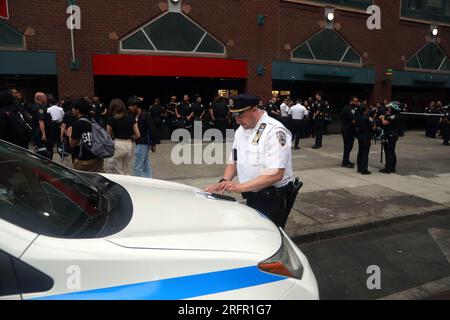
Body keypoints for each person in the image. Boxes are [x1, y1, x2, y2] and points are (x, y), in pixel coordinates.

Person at [205, 94, 295, 229]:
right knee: (255, 233)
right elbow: (234, 160)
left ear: (254, 109)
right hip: (252, 194)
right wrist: (224, 182)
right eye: (235, 116)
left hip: (272, 198)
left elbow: (276, 173)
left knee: (269, 237)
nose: (237, 120)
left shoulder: (274, 131)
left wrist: (239, 187)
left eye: (240, 115)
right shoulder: (241, 131)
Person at [69, 98, 104, 172]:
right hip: (98, 157)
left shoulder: (78, 123)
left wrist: (69, 135)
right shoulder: (93, 120)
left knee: (82, 182)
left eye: (73, 108)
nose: (72, 110)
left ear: (77, 110)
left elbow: (73, 144)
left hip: (84, 160)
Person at [107, 99, 141, 175]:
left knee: (117, 171)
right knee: (126, 170)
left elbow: (107, 136)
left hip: (117, 144)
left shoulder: (112, 118)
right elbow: (138, 135)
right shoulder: (131, 117)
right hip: (129, 145)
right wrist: (131, 137)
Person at [128, 96, 158, 178]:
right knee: (145, 164)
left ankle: (138, 184)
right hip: (140, 143)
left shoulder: (145, 115)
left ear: (135, 106)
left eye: (131, 106)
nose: (129, 108)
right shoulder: (133, 115)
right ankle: (149, 180)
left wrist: (153, 143)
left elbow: (152, 129)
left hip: (143, 143)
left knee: (137, 167)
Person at [379, 101, 402, 174]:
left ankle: (388, 168)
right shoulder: (395, 115)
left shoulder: (394, 116)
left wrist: (382, 118)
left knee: (389, 151)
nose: (389, 109)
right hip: (393, 134)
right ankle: (392, 167)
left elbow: (385, 123)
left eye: (390, 107)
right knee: (392, 151)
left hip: (391, 135)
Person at [30, 92, 54, 159]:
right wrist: (43, 134)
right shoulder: (38, 108)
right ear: (40, 98)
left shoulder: (36, 106)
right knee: (46, 153)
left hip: (41, 132)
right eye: (45, 97)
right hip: (43, 134)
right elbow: (41, 121)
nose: (46, 98)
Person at [355, 104, 374, 175]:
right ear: (364, 110)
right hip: (366, 136)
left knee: (360, 151)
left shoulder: (357, 118)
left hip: (360, 135)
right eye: (366, 109)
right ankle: (364, 169)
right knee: (365, 153)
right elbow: (372, 126)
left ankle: (359, 168)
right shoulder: (367, 118)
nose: (367, 110)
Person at [341, 96, 358, 168]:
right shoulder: (351, 109)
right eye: (355, 101)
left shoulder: (345, 107)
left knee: (347, 146)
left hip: (344, 128)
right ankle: (345, 162)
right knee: (348, 146)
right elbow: (354, 121)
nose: (356, 103)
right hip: (349, 129)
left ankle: (346, 160)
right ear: (351, 101)